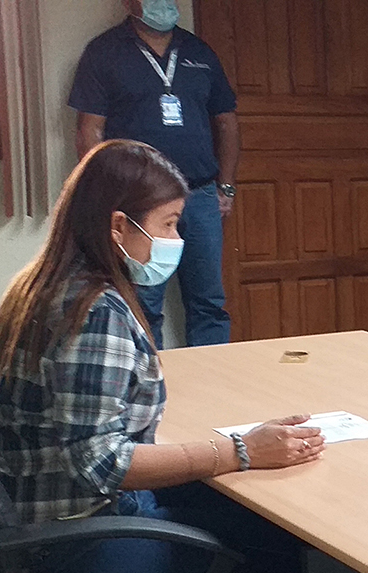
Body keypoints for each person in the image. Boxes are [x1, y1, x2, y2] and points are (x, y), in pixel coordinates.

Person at [0, 140, 320, 573]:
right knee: (300, 570)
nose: (175, 240)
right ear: (118, 225)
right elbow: (103, 460)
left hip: (40, 529)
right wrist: (238, 450)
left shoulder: (42, 284)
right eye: (167, 224)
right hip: (74, 547)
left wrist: (237, 448)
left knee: (249, 519)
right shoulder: (94, 309)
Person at [69, 0, 239, 347]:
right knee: (142, 303)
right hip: (139, 202)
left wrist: (226, 187)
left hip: (201, 196)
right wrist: (105, 197)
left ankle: (214, 376)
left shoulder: (200, 52)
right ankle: (147, 376)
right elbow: (89, 131)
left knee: (209, 303)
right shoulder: (104, 52)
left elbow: (227, 122)